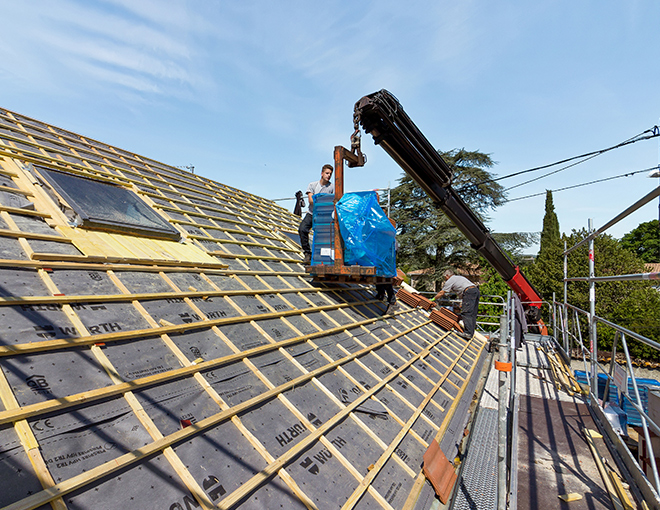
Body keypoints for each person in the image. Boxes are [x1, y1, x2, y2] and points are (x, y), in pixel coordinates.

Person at [298, 164, 334, 264]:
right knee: (302, 229)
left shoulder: (332, 187)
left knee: (323, 236)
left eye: (330, 174)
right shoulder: (312, 185)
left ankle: (322, 258)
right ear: (322, 174)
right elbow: (311, 201)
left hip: (324, 216)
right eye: (327, 173)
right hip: (312, 213)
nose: (328, 175)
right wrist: (325, 201)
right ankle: (307, 254)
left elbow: (334, 202)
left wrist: (321, 200)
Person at [433, 269, 480, 339]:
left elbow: (442, 293)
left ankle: (468, 334)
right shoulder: (458, 277)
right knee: (472, 313)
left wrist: (433, 299)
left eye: (445, 277)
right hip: (475, 291)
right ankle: (471, 332)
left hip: (469, 292)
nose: (445, 279)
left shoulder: (450, 280)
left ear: (447, 276)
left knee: (466, 313)